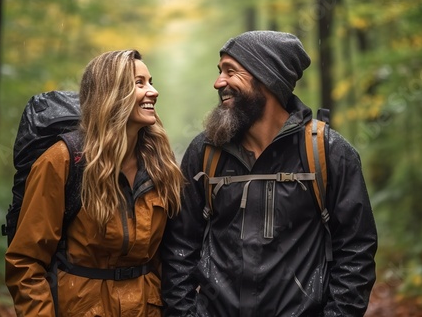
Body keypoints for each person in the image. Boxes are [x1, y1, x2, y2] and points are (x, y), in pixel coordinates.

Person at [161, 31, 378, 316]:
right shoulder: (206, 151)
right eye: (219, 72)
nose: (218, 82)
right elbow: (180, 246)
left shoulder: (329, 152)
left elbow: (356, 252)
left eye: (230, 71)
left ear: (266, 78)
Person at [5, 50, 184, 316]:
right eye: (140, 83)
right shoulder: (64, 160)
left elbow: (169, 257)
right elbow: (26, 262)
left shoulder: (160, 164)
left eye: (151, 81)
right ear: (110, 93)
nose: (153, 91)